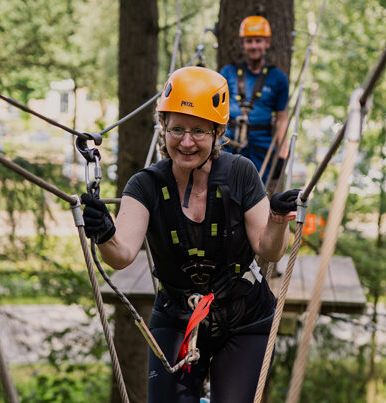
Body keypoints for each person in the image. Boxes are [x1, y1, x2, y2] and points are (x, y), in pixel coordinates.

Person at [81, 66, 299, 402]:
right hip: (177, 314)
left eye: (198, 131)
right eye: (177, 129)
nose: (185, 142)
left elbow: (269, 251)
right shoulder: (145, 185)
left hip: (243, 315)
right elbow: (121, 255)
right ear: (163, 128)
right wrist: (105, 232)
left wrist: (277, 219)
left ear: (217, 132)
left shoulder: (241, 172)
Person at [220, 15, 290, 183]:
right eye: (249, 41)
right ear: (243, 44)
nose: (254, 46)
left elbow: (281, 119)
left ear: (267, 43)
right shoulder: (228, 72)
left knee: (257, 195)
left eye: (258, 41)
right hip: (228, 144)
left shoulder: (278, 78)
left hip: (261, 149)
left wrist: (282, 155)